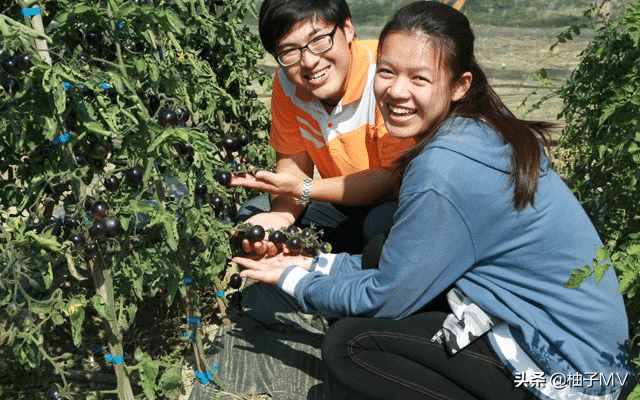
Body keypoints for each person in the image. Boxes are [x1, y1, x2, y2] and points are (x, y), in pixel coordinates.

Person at [233, 2, 636, 399]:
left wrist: (294, 280)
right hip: (578, 350)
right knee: (378, 251)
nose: (396, 91)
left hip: (571, 378)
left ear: (460, 85)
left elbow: (384, 297)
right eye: (387, 73)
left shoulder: (444, 169)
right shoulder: (477, 129)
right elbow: (402, 267)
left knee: (351, 346)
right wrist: (316, 263)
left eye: (419, 79)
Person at [231, 0, 415, 256]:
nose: (308, 61)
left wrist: (304, 189)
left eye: (318, 40)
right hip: (343, 202)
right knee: (255, 216)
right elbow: (292, 170)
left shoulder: (386, 75)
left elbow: (391, 178)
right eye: (290, 51)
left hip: (400, 202)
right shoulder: (287, 85)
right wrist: (280, 218)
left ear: (348, 28)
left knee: (381, 227)